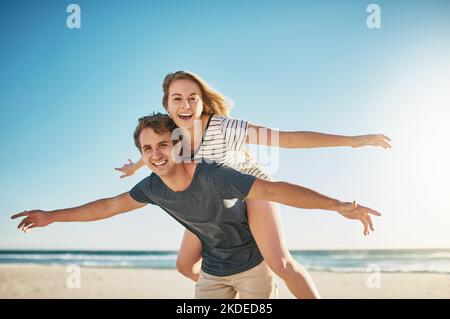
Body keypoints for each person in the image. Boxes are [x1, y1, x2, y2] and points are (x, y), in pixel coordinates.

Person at [12, 113, 381, 299]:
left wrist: (338, 205)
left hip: (251, 236)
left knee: (280, 261)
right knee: (184, 263)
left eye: (162, 145)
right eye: (147, 150)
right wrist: (52, 216)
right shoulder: (153, 186)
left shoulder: (219, 162)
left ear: (177, 143)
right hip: (214, 262)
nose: (155, 154)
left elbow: (279, 186)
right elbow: (109, 206)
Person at [115, 71, 391, 298]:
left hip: (252, 191)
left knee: (279, 262)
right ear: (167, 104)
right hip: (217, 202)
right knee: (185, 264)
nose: (185, 105)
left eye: (192, 98)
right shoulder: (173, 134)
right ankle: (236, 286)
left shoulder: (224, 128)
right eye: (177, 99)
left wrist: (353, 141)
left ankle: (262, 285)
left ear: (202, 102)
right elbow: (156, 148)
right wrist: (136, 166)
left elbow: (287, 139)